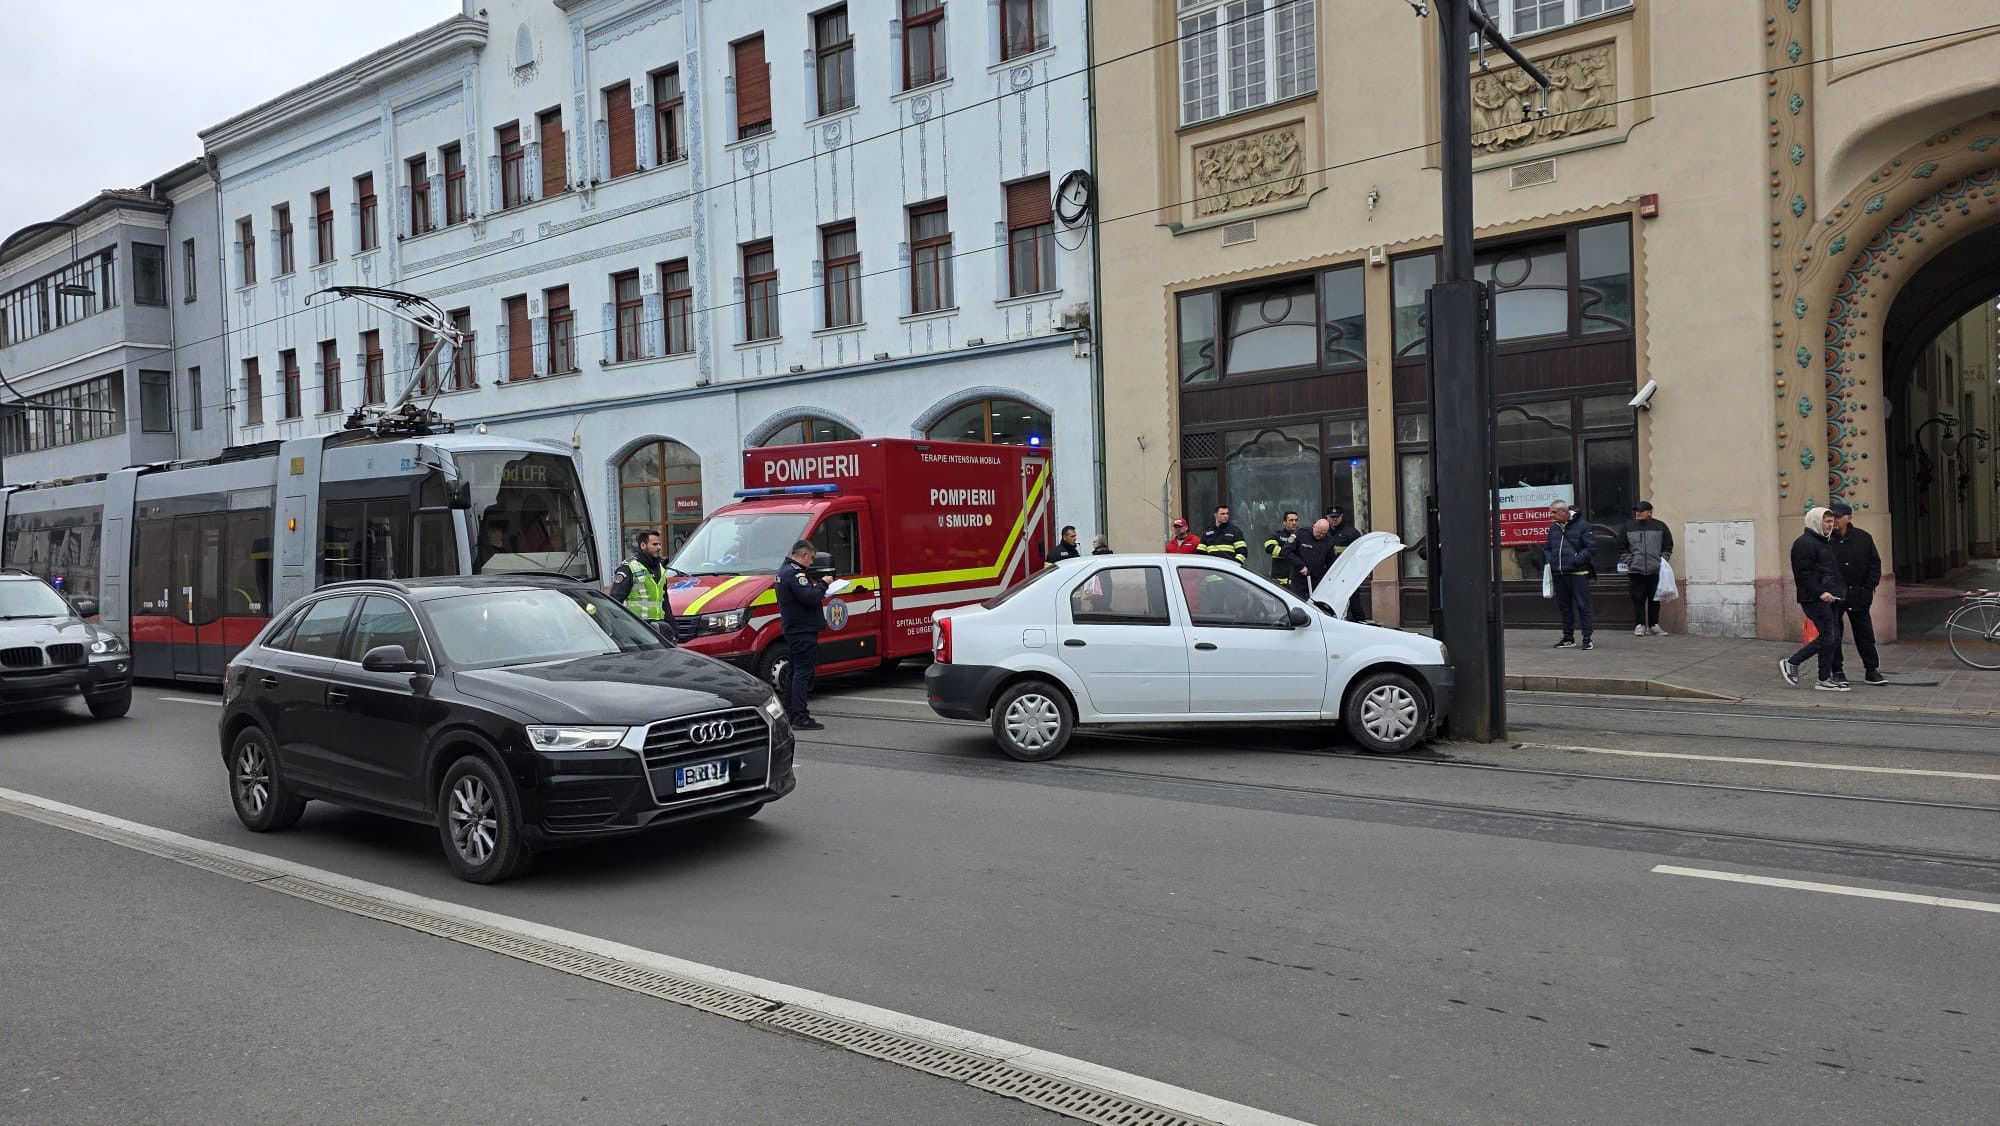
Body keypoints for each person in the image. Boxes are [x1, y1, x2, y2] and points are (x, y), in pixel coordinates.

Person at [1780, 507, 1849, 691]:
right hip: (1814, 598)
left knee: (1833, 638)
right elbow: (1803, 574)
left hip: (1830, 597)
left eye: (1832, 521)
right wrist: (1820, 592)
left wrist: (1837, 592)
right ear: (1816, 522)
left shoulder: (1823, 542)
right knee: (1828, 637)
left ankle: (1824, 678)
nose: (1831, 524)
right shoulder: (1804, 544)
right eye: (1826, 521)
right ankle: (1791, 662)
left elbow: (1829, 570)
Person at [774, 539, 830, 729]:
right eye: (811, 558)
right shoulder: (795, 574)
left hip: (793, 629)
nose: (812, 562)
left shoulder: (784, 570)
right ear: (803, 555)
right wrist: (823, 584)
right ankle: (800, 716)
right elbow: (810, 597)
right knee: (802, 673)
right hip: (802, 630)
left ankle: (791, 712)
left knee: (793, 673)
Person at [1828, 502, 1885, 685]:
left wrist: (1868, 587)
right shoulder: (1824, 539)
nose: (1834, 521)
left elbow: (1874, 564)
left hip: (1859, 593)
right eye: (1831, 517)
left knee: (1865, 633)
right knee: (1835, 634)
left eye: (1838, 517)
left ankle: (1871, 669)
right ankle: (1836, 670)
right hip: (1835, 595)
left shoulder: (1863, 538)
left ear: (1849, 518)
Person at [1544, 500, 1595, 650]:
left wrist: (1577, 560)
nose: (1550, 515)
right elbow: (1547, 548)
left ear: (1564, 512)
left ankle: (1587, 638)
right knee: (1564, 606)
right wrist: (1550, 561)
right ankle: (1568, 637)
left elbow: (1591, 547)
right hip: (1559, 573)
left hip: (1578, 572)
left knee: (1582, 605)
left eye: (1553, 512)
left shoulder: (1582, 525)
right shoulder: (1554, 527)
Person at [1619, 500, 1675, 636]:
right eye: (1636, 510)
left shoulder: (1660, 526)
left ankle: (1654, 625)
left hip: (1655, 569)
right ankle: (1640, 625)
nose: (1638, 513)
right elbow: (1622, 547)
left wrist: (1662, 560)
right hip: (1636, 570)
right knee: (1637, 598)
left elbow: (1668, 545)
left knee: (1655, 598)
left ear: (1650, 512)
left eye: (1641, 510)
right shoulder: (1627, 526)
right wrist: (1630, 561)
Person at [608, 530, 668, 625]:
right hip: (636, 627)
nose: (659, 547)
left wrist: (673, 630)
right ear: (643, 545)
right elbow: (615, 600)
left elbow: (665, 603)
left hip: (659, 626)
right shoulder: (628, 567)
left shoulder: (660, 568)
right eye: (655, 544)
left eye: (660, 544)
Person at [1288, 518, 1339, 593]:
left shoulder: (1329, 541)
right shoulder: (1301, 533)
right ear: (1314, 526)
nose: (1320, 535)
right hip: (1299, 579)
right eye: (1319, 532)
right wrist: (1300, 566)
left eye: (1323, 534)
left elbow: (1331, 562)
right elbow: (1287, 551)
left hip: (1317, 580)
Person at [1263, 511, 1302, 587]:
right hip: (1279, 581)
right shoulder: (1278, 535)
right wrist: (1288, 553)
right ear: (1284, 522)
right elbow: (1269, 547)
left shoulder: (1301, 536)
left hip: (1296, 581)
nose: (1294, 523)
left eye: (1296, 520)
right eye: (1291, 520)